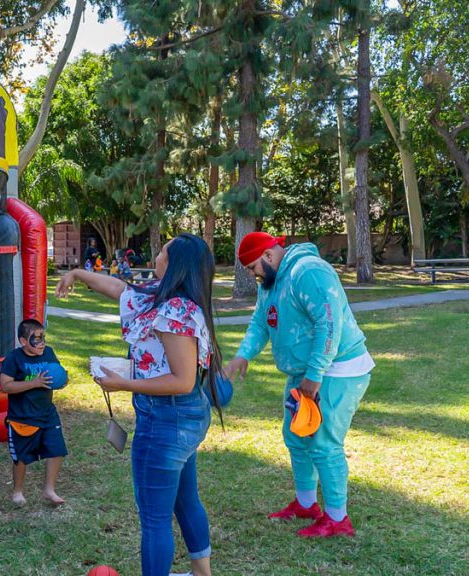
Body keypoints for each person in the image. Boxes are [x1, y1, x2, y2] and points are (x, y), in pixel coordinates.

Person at [56, 233, 221, 576]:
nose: (156, 256)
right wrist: (78, 274)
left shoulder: (176, 311)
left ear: (175, 264)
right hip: (183, 417)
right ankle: (202, 573)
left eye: (162, 252)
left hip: (167, 420)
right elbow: (119, 290)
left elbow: (182, 379)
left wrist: (121, 384)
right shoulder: (163, 297)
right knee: (184, 499)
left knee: (155, 519)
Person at [223, 232, 373, 538]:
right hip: (303, 374)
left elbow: (329, 323)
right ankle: (307, 505)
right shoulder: (272, 282)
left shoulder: (309, 271)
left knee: (323, 443)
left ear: (268, 255)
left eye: (253, 268)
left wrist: (314, 376)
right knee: (296, 437)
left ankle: (337, 519)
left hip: (336, 369)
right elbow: (260, 322)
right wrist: (243, 355)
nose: (253, 275)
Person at [0, 319, 69, 506]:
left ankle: (49, 490)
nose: (41, 343)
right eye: (36, 339)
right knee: (21, 458)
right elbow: (5, 386)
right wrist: (34, 383)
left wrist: (62, 380)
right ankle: (18, 491)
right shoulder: (14, 359)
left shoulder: (48, 353)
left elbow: (58, 374)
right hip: (22, 418)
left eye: (43, 337)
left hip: (47, 413)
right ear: (23, 341)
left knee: (57, 450)